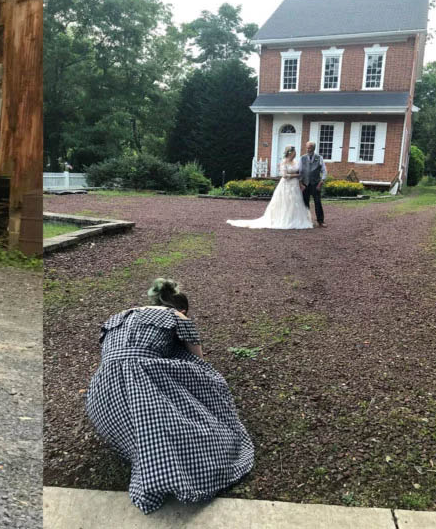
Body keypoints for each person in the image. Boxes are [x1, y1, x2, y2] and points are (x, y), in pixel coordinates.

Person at [85, 278, 254, 514]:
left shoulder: (118, 317)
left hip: (103, 394)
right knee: (207, 382)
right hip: (142, 380)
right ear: (181, 309)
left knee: (145, 424)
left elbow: (113, 356)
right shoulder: (178, 317)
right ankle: (168, 472)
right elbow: (199, 359)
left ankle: (145, 459)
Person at [227, 145, 313, 229]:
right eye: (294, 152)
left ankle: (294, 219)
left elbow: (300, 172)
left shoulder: (295, 162)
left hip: (295, 186)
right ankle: (283, 219)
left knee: (295, 202)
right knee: (285, 202)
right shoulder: (284, 162)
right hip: (286, 185)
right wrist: (296, 175)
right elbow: (284, 175)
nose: (295, 154)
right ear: (290, 153)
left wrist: (300, 182)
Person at [299, 140, 327, 227]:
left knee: (318, 202)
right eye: (307, 147)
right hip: (305, 184)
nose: (308, 149)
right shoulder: (302, 158)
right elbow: (299, 171)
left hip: (316, 184)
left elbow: (324, 171)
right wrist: (301, 184)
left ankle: (320, 221)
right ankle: (306, 221)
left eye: (309, 148)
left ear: (314, 148)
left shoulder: (319, 158)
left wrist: (321, 182)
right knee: (305, 203)